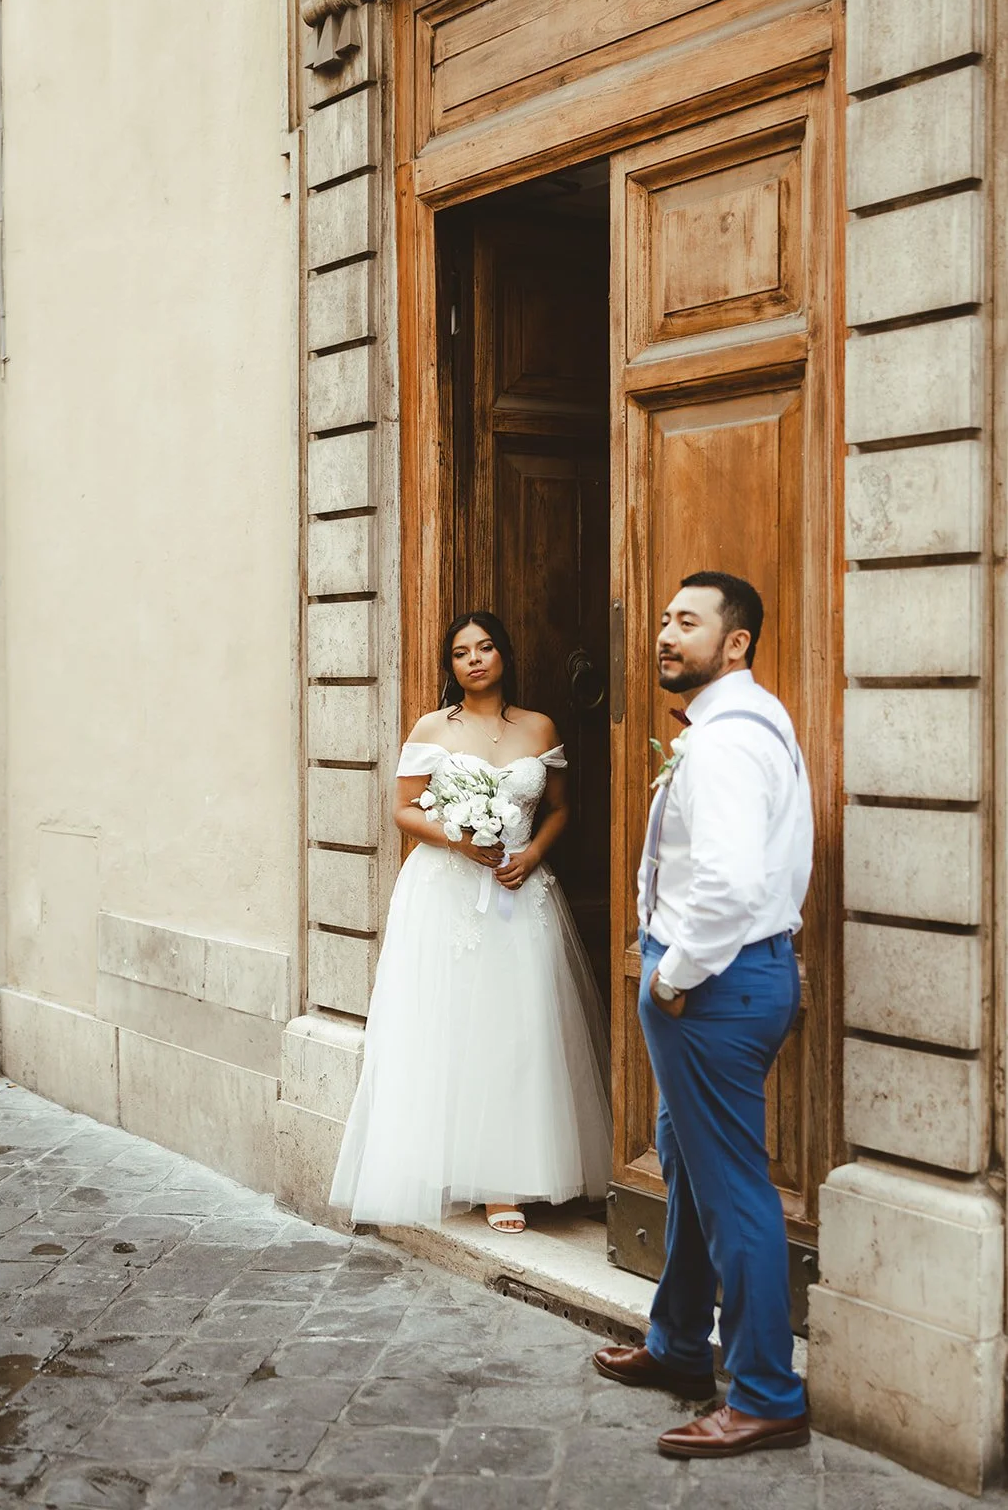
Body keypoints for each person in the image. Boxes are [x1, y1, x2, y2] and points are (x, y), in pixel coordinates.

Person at [593, 571, 813, 1458]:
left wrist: (673, 975)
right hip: (733, 978)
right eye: (662, 619)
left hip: (714, 988)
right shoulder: (747, 721)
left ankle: (765, 1393)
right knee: (685, 1162)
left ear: (736, 643)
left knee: (734, 1194)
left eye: (687, 622)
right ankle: (680, 1345)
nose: (663, 634)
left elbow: (726, 884)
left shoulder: (721, 745)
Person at [329, 610, 612, 1235]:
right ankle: (476, 1177)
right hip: (448, 894)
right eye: (462, 653)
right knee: (456, 1025)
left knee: (523, 1026)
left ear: (504, 656)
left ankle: (519, 1169)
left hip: (521, 892)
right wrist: (457, 840)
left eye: (486, 648)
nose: (475, 660)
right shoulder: (433, 727)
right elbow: (403, 810)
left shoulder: (540, 727)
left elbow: (562, 809)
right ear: (450, 666)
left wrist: (532, 855)